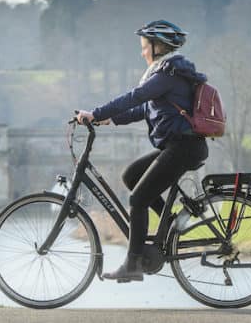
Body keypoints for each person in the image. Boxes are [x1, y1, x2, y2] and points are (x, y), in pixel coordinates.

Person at [75, 20, 209, 282]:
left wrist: (96, 113)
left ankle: (133, 264)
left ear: (158, 47)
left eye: (144, 46)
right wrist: (110, 120)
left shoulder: (167, 74)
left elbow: (135, 97)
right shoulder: (168, 74)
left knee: (137, 200)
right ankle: (170, 223)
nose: (142, 52)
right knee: (131, 175)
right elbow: (146, 109)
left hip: (183, 147)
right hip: (179, 145)